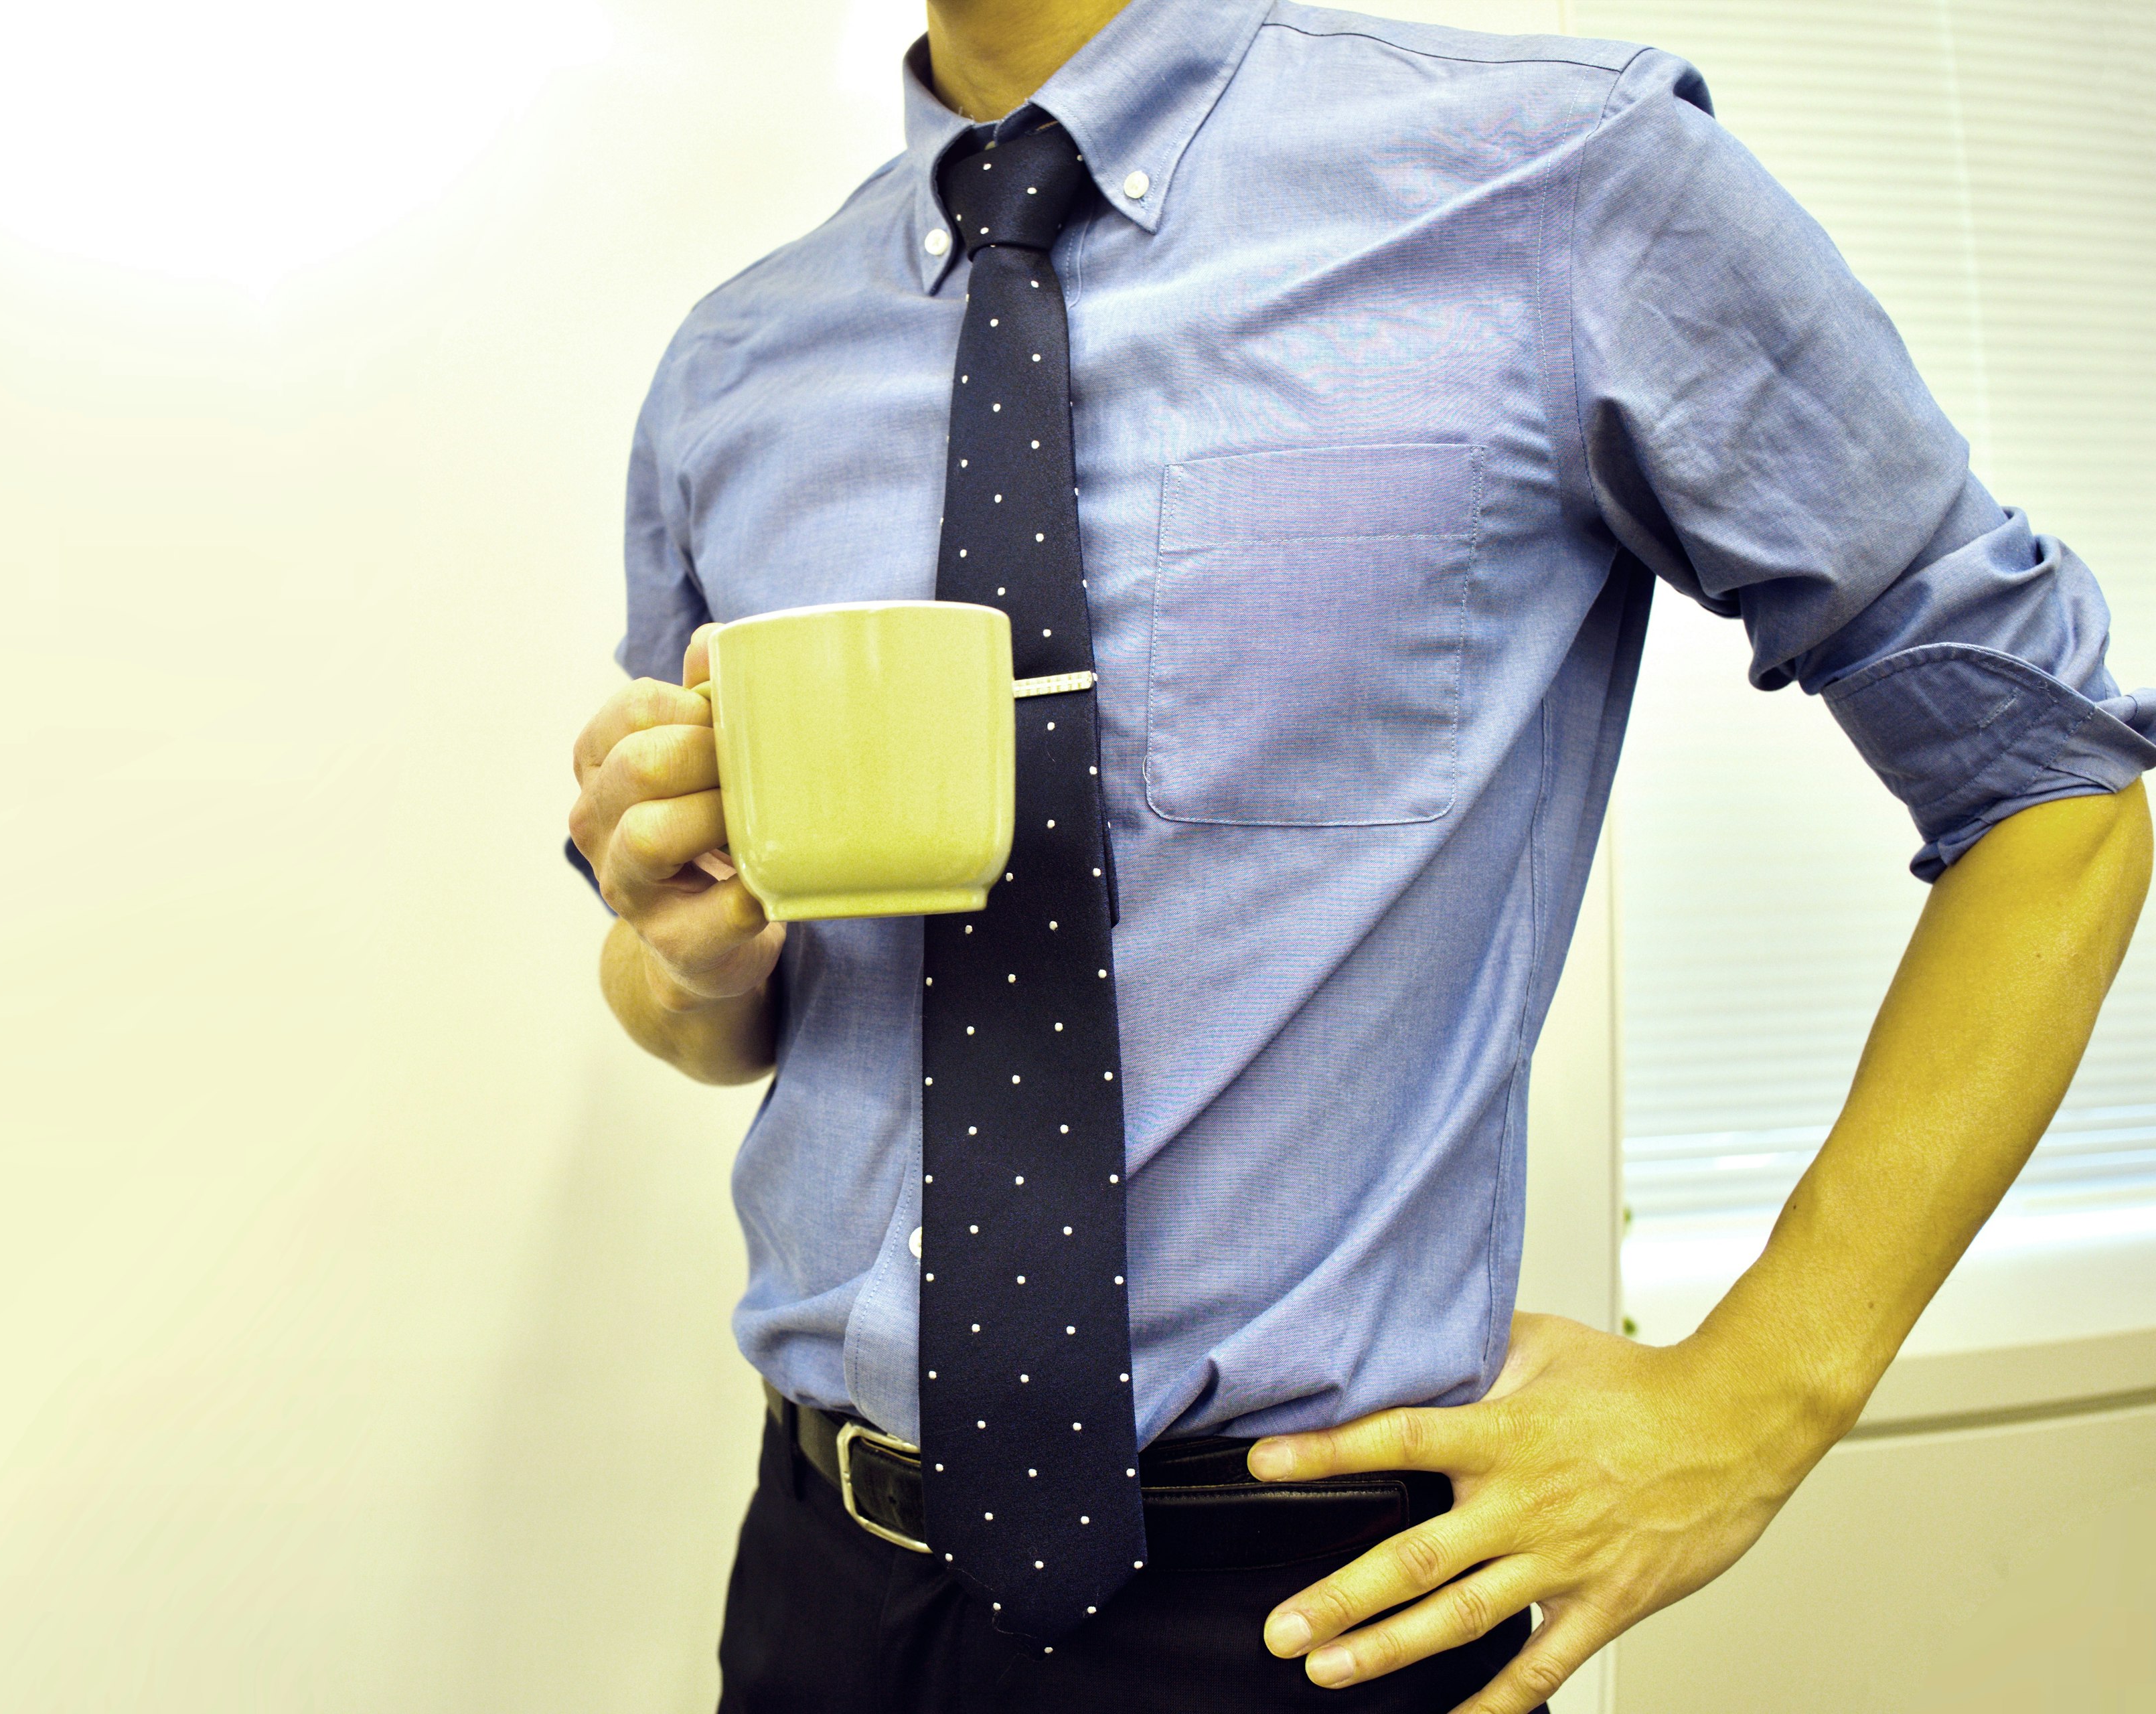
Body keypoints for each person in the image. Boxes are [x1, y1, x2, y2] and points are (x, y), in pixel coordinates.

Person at [562, 1, 2156, 1709]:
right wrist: (691, 946)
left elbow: (2053, 775)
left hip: (1302, 1612)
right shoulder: (735, 366)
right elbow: (698, 1011)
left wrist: (1760, 1397)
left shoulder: (1562, 181)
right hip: (821, 1583)